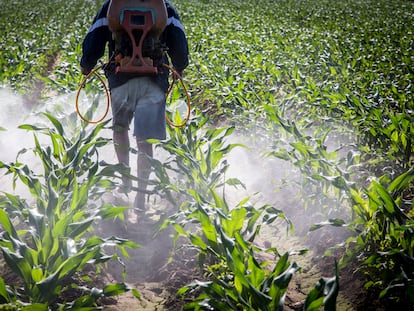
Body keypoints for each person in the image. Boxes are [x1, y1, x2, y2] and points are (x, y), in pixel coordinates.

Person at [80, 0, 189, 214]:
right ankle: (141, 194)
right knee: (145, 139)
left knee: (120, 129)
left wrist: (86, 66)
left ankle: (125, 179)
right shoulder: (165, 7)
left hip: (121, 82)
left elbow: (93, 42)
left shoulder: (111, 5)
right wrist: (180, 67)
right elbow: (179, 44)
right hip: (154, 82)